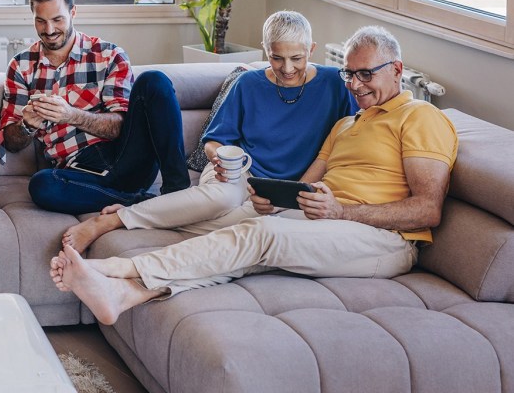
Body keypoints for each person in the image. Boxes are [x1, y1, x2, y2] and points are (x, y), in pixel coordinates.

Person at [51, 26, 458, 325]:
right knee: (230, 222)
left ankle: (113, 272)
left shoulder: (420, 116)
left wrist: (341, 213)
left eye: (366, 74)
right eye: (350, 75)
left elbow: (427, 210)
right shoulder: (346, 125)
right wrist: (273, 200)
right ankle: (125, 296)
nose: (355, 85)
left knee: (262, 235)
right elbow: (303, 187)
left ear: (398, 69)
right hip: (326, 223)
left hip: (384, 240)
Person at [62, 10, 357, 251]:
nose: (288, 68)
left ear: (312, 50)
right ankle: (110, 221)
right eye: (277, 58)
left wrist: (295, 193)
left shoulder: (336, 85)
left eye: (297, 58)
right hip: (242, 173)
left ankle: (145, 208)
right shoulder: (248, 84)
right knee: (223, 199)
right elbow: (214, 141)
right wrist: (222, 159)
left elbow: (350, 138)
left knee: (255, 222)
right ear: (266, 50)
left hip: (285, 187)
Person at [0, 0, 190, 215]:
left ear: (73, 13)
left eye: (57, 20)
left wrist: (71, 115)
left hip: (126, 156)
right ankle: (140, 203)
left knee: (154, 80)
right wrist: (26, 125)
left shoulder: (109, 55)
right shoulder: (21, 66)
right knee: (42, 185)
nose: (49, 30)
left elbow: (119, 126)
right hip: (79, 173)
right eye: (41, 21)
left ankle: (179, 190)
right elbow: (10, 142)